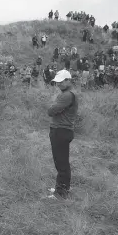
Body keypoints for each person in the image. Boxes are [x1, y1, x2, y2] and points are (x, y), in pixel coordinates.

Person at [47, 70, 78, 200]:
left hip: (61, 130)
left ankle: (61, 193)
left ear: (68, 80)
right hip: (62, 130)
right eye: (57, 82)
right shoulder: (66, 94)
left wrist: (53, 106)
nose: (58, 84)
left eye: (61, 81)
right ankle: (63, 187)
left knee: (61, 163)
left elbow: (51, 111)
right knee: (62, 162)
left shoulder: (66, 95)